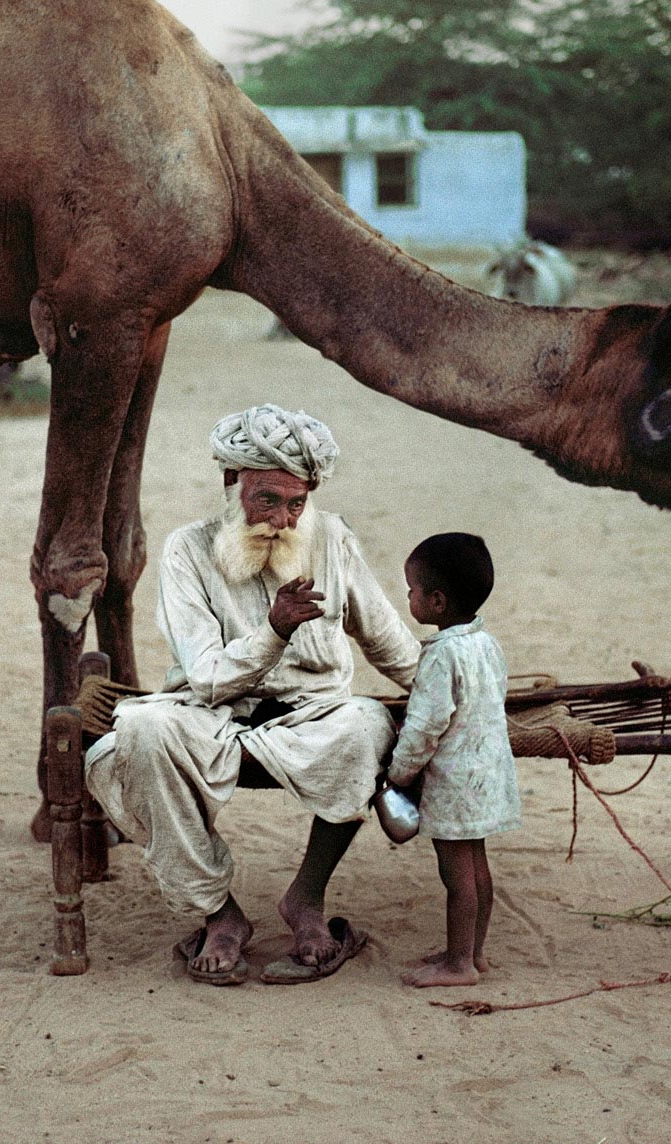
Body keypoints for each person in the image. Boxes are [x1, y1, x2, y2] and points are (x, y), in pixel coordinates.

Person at [84, 404, 421, 985]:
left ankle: (306, 902)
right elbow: (209, 676)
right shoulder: (187, 549)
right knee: (139, 732)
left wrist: (448, 691)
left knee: (367, 727)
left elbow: (387, 639)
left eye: (297, 502)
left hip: (314, 714)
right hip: (210, 712)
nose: (282, 519)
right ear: (230, 483)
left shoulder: (332, 537)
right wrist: (274, 631)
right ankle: (220, 915)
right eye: (266, 499)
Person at [384, 533, 522, 988]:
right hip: (487, 774)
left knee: (456, 876)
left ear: (437, 601)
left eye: (412, 590)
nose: (408, 597)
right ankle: (473, 953)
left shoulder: (442, 656)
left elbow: (425, 726)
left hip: (456, 783)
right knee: (478, 869)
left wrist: (399, 773)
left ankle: (458, 965)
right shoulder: (486, 643)